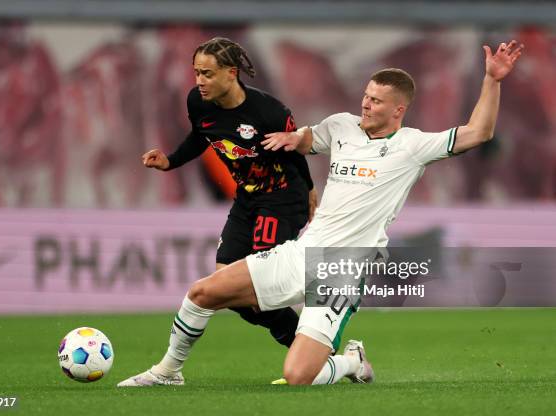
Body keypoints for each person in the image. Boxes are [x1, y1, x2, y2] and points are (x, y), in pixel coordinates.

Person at [119, 40, 523, 387]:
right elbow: (309, 137)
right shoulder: (342, 126)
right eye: (366, 95)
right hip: (303, 251)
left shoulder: (413, 147)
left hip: (343, 270)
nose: (366, 103)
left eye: (377, 100)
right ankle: (168, 370)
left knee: (298, 376)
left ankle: (351, 362)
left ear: (399, 110)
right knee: (202, 292)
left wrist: (492, 80)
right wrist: (293, 137)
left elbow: (478, 133)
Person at [141, 37, 317, 349]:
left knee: (258, 287)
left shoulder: (269, 111)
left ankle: (314, 353)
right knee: (229, 292)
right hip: (247, 201)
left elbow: (294, 153)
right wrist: (170, 162)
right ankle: (314, 346)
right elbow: (200, 136)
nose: (199, 81)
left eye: (207, 74)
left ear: (231, 73)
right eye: (196, 72)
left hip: (282, 199)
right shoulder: (197, 102)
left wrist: (311, 191)